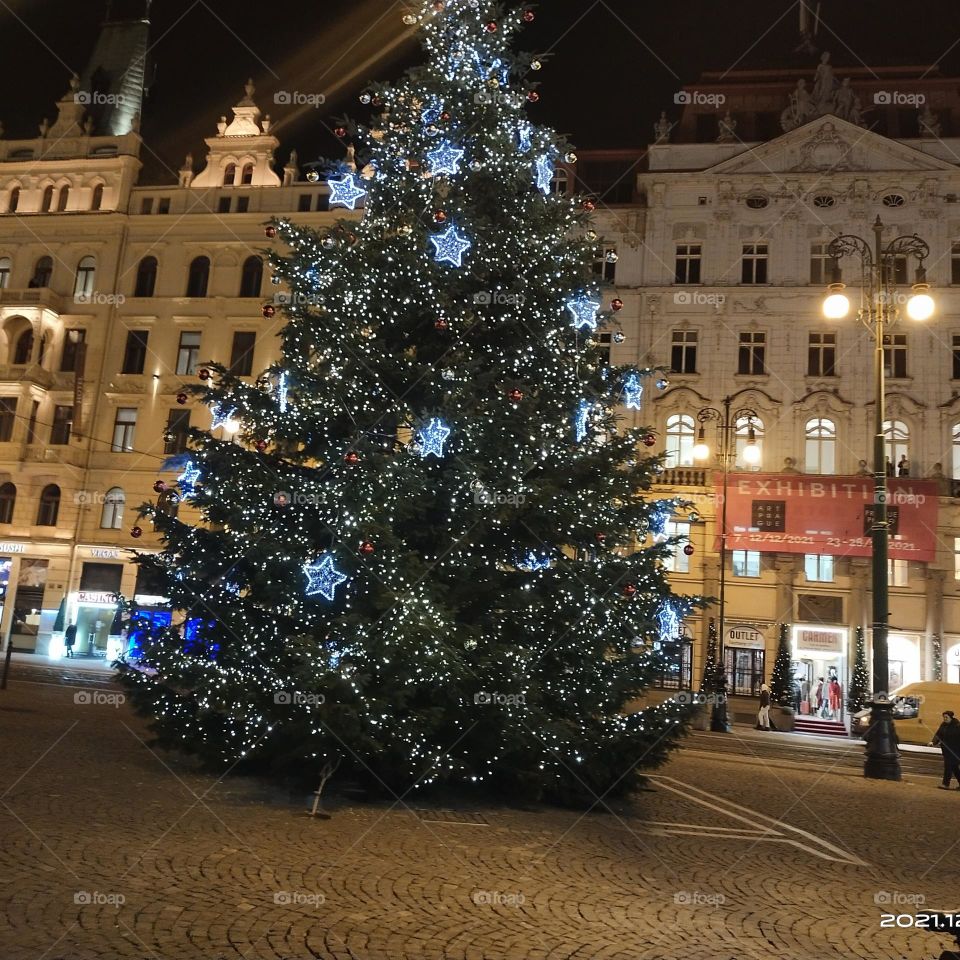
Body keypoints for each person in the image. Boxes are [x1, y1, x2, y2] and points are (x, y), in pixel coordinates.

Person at [931, 710, 960, 790]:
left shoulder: (957, 725)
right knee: (954, 768)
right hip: (946, 750)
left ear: (951, 717)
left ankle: (945, 784)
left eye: (946, 717)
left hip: (956, 750)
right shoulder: (943, 725)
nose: (944, 719)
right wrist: (933, 742)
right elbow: (938, 734)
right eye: (944, 717)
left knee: (948, 766)